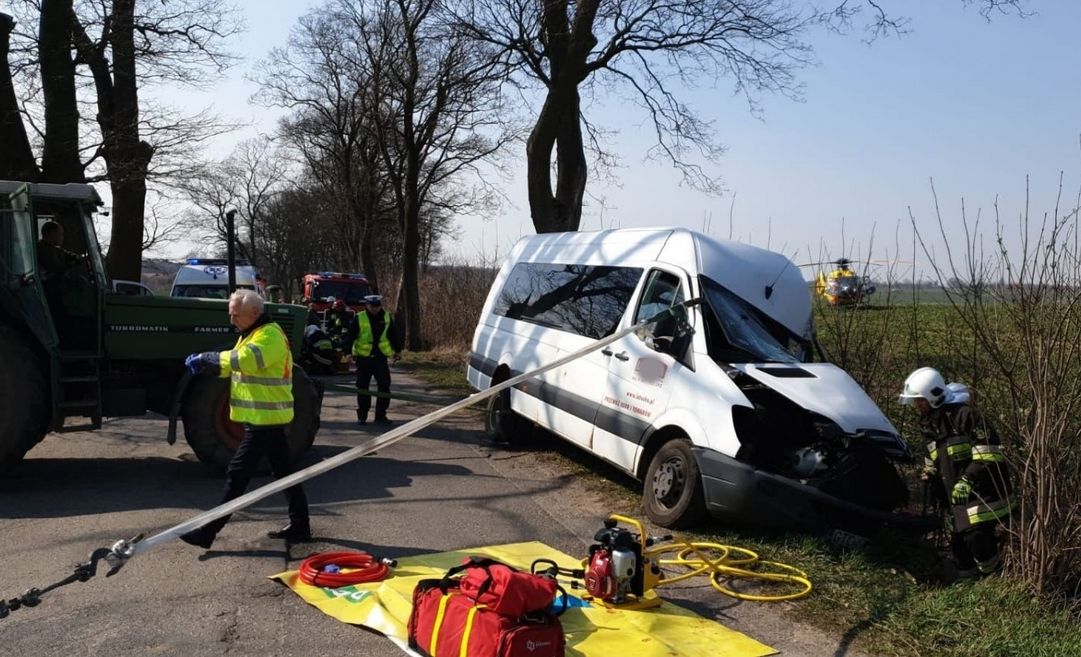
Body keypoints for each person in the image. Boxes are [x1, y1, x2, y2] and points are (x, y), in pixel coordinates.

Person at [178, 289, 311, 549]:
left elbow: (245, 360)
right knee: (284, 473)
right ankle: (300, 525)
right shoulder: (252, 333)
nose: (232, 320)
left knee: (237, 474)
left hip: (265, 418)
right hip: (262, 417)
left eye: (236, 315)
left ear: (255, 313)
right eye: (231, 315)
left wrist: (209, 357)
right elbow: (235, 365)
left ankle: (208, 532)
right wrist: (209, 364)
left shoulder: (270, 335)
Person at [900, 367, 1013, 578]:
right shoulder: (930, 423)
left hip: (982, 492)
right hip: (956, 499)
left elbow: (989, 454)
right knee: (959, 549)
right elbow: (934, 458)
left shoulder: (964, 416)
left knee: (977, 538)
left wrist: (967, 480)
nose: (917, 405)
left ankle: (994, 580)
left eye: (920, 400)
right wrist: (931, 477)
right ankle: (968, 585)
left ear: (934, 396)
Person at [345, 294, 403, 425]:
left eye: (377, 306)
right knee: (362, 387)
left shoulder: (387, 317)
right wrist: (347, 353)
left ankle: (381, 416)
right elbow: (350, 336)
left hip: (380, 358)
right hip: (363, 358)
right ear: (367, 305)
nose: (375, 309)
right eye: (372, 306)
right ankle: (362, 416)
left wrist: (398, 350)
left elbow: (393, 335)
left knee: (384, 386)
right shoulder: (359, 318)